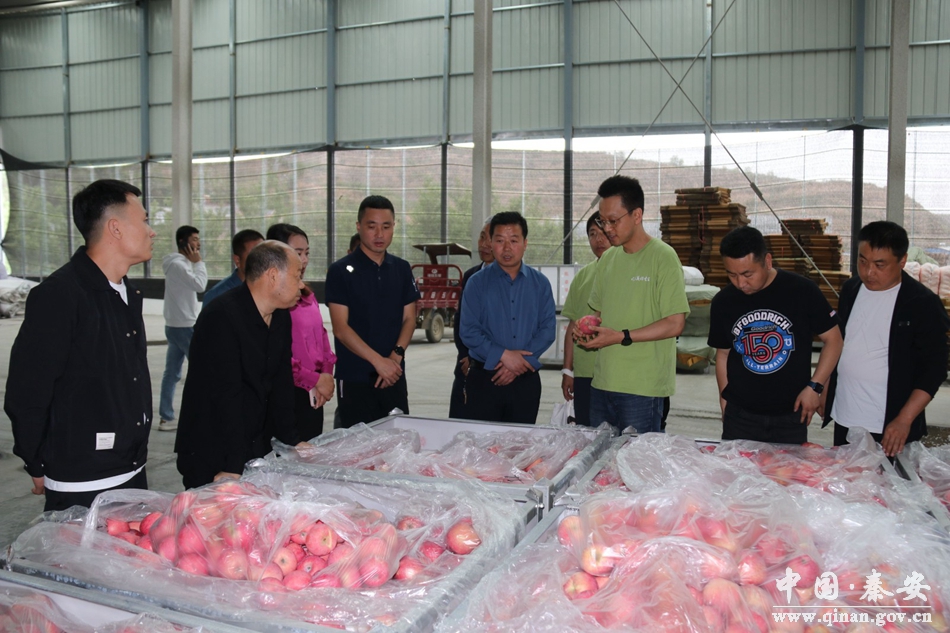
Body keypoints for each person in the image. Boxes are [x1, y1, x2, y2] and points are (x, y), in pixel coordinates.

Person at [5, 179, 155, 511]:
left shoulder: (126, 294)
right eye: (144, 220)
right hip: (82, 481)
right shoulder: (60, 295)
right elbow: (27, 390)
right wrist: (34, 458)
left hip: (131, 469)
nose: (151, 231)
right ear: (115, 228)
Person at [175, 241, 309, 488]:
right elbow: (225, 394)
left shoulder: (279, 315)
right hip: (213, 450)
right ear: (272, 276)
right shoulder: (221, 317)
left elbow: (281, 382)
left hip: (253, 444)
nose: (301, 284)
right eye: (296, 276)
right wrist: (233, 465)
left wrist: (292, 440)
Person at [823, 221, 950, 456]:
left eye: (879, 265)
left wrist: (904, 419)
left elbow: (934, 369)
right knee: (845, 477)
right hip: (845, 415)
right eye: (863, 261)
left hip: (890, 425)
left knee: (886, 480)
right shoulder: (851, 289)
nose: (868, 272)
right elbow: (841, 343)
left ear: (902, 261)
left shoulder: (922, 303)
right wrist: (826, 390)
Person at [707, 226, 842, 444]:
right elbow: (723, 354)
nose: (740, 283)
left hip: (791, 415)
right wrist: (725, 402)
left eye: (747, 274)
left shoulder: (801, 291)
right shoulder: (724, 302)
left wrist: (815, 387)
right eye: (732, 275)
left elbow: (834, 340)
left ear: (767, 261)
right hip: (741, 416)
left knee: (787, 467)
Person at [577, 175, 689, 433]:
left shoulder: (663, 257)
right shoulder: (608, 259)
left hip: (642, 388)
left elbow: (675, 323)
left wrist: (621, 336)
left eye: (613, 220)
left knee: (637, 456)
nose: (607, 229)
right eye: (602, 221)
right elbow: (598, 313)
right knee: (600, 455)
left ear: (637, 215)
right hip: (602, 383)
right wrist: (587, 328)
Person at [325, 195, 420, 428]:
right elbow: (341, 328)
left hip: (394, 375)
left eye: (386, 227)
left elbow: (409, 318)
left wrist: (395, 358)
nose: (379, 234)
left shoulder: (401, 268)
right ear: (359, 227)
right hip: (356, 377)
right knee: (357, 444)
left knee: (397, 441)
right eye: (372, 226)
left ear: (393, 227)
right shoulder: (340, 271)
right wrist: (379, 362)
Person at [459, 212, 556, 423]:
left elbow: (548, 330)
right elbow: (468, 331)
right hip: (485, 379)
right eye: (500, 240)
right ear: (491, 243)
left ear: (525, 243)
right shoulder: (476, 283)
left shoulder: (540, 284)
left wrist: (519, 363)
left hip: (525, 381)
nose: (507, 248)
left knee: (521, 442)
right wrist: (504, 355)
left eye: (514, 240)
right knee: (482, 441)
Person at [266, 223, 336, 441]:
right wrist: (315, 380)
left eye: (307, 253)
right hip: (290, 391)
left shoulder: (307, 294)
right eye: (298, 253)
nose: (304, 260)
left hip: (315, 392)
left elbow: (321, 336)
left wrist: (326, 375)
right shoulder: (275, 303)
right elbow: (279, 356)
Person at [561, 212, 611, 426]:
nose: (598, 240)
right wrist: (567, 370)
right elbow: (572, 325)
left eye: (603, 233)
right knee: (586, 432)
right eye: (592, 234)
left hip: (615, 373)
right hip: (584, 373)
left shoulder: (626, 273)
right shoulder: (582, 276)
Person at [158, 225, 207, 432]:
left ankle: (166, 417)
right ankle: (202, 416)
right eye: (194, 239)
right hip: (185, 326)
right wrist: (199, 263)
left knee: (172, 373)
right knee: (203, 371)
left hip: (174, 325)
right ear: (183, 242)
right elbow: (200, 285)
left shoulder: (176, 264)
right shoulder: (179, 265)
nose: (198, 243)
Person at [448, 220, 494, 419]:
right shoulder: (470, 276)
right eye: (482, 237)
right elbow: (461, 321)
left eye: (491, 239)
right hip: (466, 366)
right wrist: (466, 355)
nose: (484, 244)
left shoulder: (513, 280)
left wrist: (479, 357)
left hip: (492, 368)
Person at [201, 229, 265, 306]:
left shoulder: (270, 289)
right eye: (253, 256)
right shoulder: (217, 296)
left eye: (264, 254)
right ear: (237, 260)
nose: (261, 260)